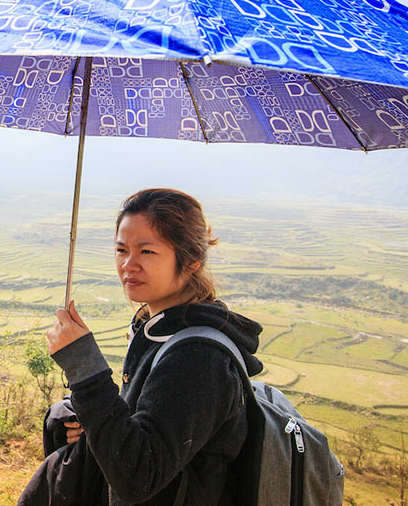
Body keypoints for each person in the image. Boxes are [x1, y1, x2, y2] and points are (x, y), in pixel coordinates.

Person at [19, 188, 263, 506]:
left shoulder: (199, 358)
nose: (128, 265)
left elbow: (137, 477)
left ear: (191, 261)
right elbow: (141, 429)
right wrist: (78, 416)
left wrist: (85, 368)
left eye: (146, 252)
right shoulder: (161, 330)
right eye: (122, 249)